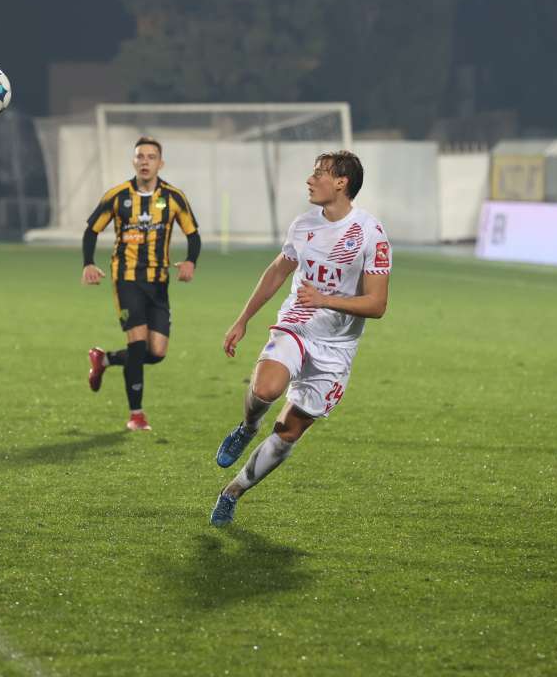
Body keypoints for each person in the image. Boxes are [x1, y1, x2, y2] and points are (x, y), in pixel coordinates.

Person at [210, 150, 392, 526]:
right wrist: (243, 319)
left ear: (341, 182)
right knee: (265, 389)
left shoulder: (370, 234)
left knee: (288, 431)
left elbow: (377, 305)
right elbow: (278, 271)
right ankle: (246, 428)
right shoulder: (303, 225)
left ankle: (232, 492)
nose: (310, 180)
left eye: (319, 173)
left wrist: (325, 299)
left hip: (337, 348)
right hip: (298, 325)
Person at [82, 136, 201, 431]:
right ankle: (136, 415)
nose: (145, 161)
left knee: (156, 352)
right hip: (126, 280)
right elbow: (91, 230)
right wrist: (88, 263)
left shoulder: (173, 197)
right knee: (136, 344)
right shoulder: (117, 196)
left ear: (161, 163)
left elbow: (193, 235)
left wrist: (190, 261)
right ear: (133, 161)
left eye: (151, 157)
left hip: (158, 283)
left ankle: (104, 360)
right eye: (140, 156)